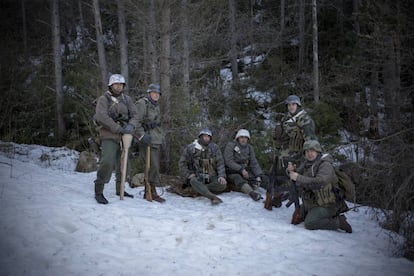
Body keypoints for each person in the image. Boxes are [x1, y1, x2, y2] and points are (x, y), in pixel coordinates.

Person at [287, 140, 352, 233]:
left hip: (328, 204)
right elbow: (296, 175)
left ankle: (339, 222)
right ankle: (312, 213)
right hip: (312, 202)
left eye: (312, 151)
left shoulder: (325, 165)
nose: (309, 154)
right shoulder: (307, 163)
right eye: (307, 151)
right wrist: (291, 170)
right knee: (297, 217)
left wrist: (298, 177)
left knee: (310, 223)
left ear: (318, 151)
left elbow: (320, 182)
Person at [93, 74, 139, 204]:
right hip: (109, 135)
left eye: (121, 84)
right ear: (111, 85)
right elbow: (101, 116)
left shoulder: (127, 99)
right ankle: (99, 190)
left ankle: (120, 189)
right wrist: (117, 128)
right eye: (116, 84)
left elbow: (135, 115)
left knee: (123, 163)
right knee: (107, 162)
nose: (118, 86)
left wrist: (131, 125)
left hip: (125, 135)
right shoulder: (104, 99)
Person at [269, 94, 317, 207]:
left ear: (298, 105)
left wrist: (308, 156)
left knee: (295, 179)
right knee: (274, 174)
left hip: (298, 155)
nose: (291, 107)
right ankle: (277, 197)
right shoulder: (285, 118)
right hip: (283, 153)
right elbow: (281, 136)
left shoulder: (305, 119)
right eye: (289, 105)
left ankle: (301, 203)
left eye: (293, 104)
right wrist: (276, 135)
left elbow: (310, 140)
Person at [178, 128, 227, 205]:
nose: (206, 138)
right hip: (197, 175)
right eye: (204, 136)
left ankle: (200, 189)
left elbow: (220, 162)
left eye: (208, 136)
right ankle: (212, 197)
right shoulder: (191, 148)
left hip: (210, 174)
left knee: (222, 185)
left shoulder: (214, 148)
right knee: (193, 181)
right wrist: (188, 174)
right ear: (200, 137)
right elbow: (182, 163)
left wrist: (221, 176)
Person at [135, 83, 166, 203]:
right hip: (147, 140)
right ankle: (150, 191)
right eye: (154, 93)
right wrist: (142, 136)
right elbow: (136, 121)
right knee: (151, 167)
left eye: (158, 93)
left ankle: (151, 190)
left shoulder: (155, 105)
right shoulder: (142, 104)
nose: (156, 95)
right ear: (149, 93)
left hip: (155, 139)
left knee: (154, 167)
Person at [224, 129, 269, 201]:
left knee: (263, 178)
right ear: (238, 138)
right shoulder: (231, 145)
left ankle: (274, 193)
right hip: (232, 171)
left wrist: (258, 175)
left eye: (245, 138)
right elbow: (228, 161)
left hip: (245, 171)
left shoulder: (249, 148)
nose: (243, 139)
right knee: (238, 178)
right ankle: (252, 193)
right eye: (241, 137)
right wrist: (241, 170)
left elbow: (253, 162)